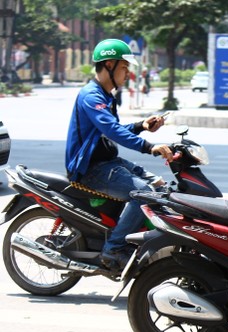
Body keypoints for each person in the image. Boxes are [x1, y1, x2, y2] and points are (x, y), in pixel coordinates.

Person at [65, 39, 174, 270]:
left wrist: (142, 125)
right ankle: (113, 249)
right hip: (92, 169)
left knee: (160, 185)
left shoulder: (105, 96)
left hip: (108, 162)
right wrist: (148, 146)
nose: (128, 74)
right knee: (144, 194)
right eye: (124, 68)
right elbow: (111, 130)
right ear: (109, 65)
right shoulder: (91, 96)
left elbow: (112, 130)